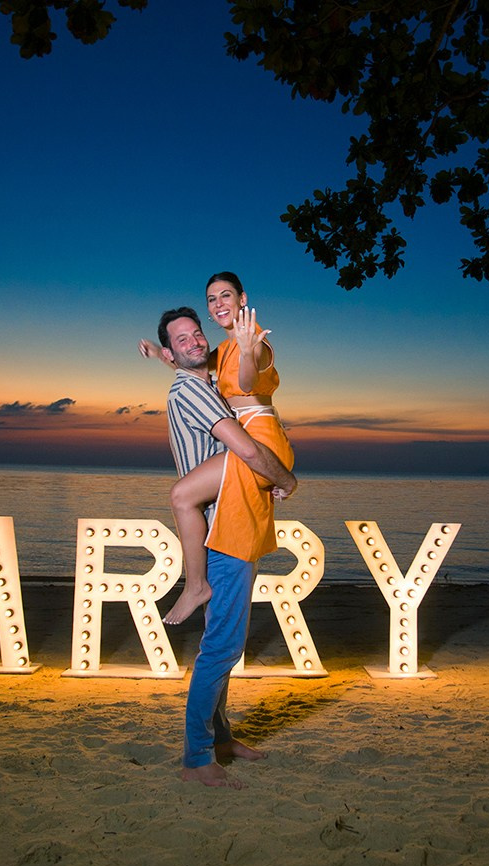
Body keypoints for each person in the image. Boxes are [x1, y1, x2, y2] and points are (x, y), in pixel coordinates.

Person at [157, 305, 298, 789]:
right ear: (176, 352)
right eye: (182, 339)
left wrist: (162, 354)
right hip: (225, 530)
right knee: (222, 648)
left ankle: (219, 738)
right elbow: (248, 450)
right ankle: (197, 758)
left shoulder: (201, 382)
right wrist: (287, 480)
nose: (195, 340)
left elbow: (207, 366)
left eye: (197, 333)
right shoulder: (193, 390)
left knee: (220, 643)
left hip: (232, 520)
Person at [139, 271, 294, 625]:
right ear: (208, 310)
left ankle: (196, 586)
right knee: (189, 499)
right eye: (212, 299)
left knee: (182, 495)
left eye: (226, 295)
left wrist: (247, 349)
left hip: (258, 437)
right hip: (248, 437)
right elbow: (194, 366)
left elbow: (246, 380)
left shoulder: (252, 341)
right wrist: (159, 354)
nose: (219, 303)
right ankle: (200, 587)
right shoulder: (222, 349)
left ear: (243, 299)